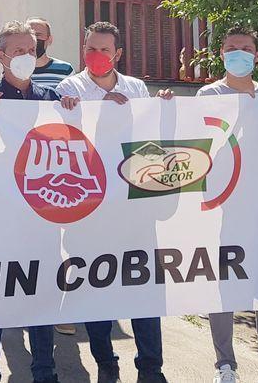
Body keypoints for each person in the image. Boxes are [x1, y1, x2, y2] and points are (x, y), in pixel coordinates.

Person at [162, 26, 258, 383]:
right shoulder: (208, 94)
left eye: (246, 47)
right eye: (231, 48)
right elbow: (191, 147)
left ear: (257, 55)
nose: (239, 53)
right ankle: (225, 364)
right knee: (220, 283)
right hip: (221, 207)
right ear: (221, 54)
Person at [57, 22, 166, 383]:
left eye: (104, 50)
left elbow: (149, 138)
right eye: (91, 48)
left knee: (144, 288)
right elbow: (66, 139)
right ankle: (106, 361)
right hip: (90, 208)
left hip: (135, 207)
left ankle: (151, 367)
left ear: (117, 54)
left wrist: (154, 109)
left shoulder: (136, 88)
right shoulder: (69, 87)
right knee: (95, 288)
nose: (96, 56)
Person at [0, 20, 60, 383]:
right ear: (1, 55)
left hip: (41, 220)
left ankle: (44, 371)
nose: (26, 56)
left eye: (31, 50)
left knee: (41, 299)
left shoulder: (52, 100)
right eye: (18, 50)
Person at [28, 17, 74, 91]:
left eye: (38, 35)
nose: (34, 39)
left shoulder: (66, 70)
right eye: (30, 35)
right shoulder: (16, 70)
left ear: (49, 40)